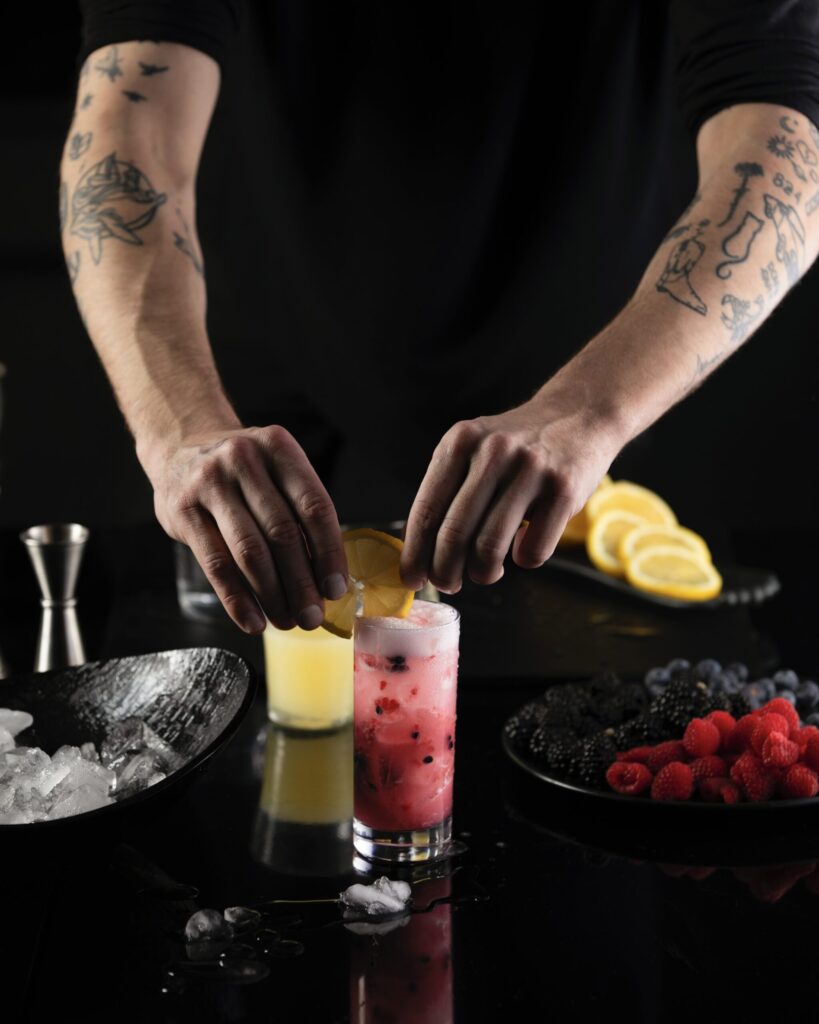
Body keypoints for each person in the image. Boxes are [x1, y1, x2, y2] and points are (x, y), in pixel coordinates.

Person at [61, 1, 819, 634]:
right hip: (257, 376)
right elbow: (129, 124)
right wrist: (180, 425)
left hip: (600, 381)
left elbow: (787, 147)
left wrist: (591, 409)